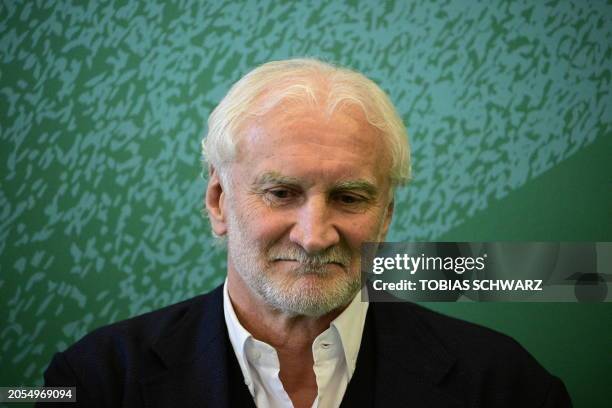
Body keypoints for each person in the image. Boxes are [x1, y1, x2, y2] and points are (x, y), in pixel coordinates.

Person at [41, 58, 571, 407]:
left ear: (386, 216)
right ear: (218, 202)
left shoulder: (508, 387)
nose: (315, 236)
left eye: (350, 197)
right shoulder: (94, 382)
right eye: (281, 193)